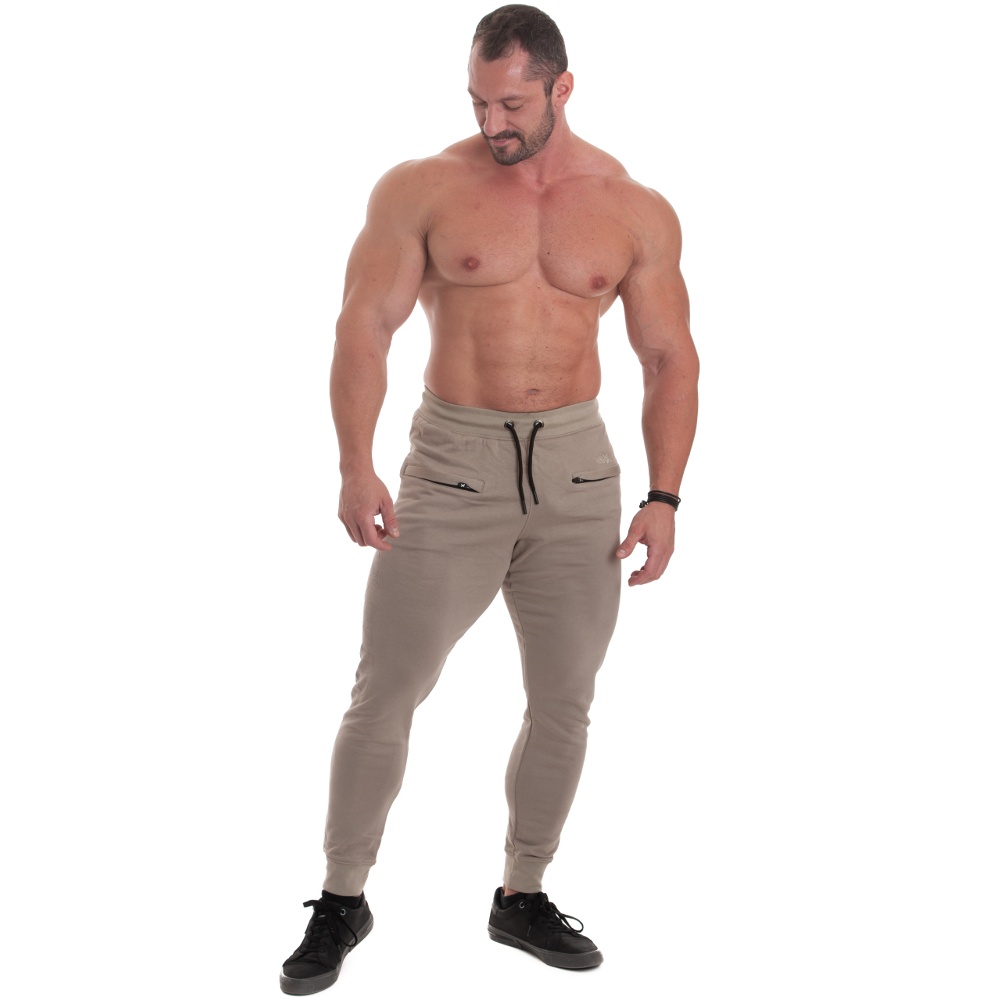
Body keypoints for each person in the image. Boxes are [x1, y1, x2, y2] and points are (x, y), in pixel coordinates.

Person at [279, 4, 699, 994]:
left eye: (511, 103)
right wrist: (354, 465)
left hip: (578, 475)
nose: (491, 121)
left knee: (564, 701)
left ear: (562, 87)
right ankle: (342, 896)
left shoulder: (632, 206)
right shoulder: (423, 187)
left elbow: (668, 356)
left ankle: (522, 892)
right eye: (477, 101)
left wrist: (665, 496)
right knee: (386, 691)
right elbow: (363, 328)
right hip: (452, 468)